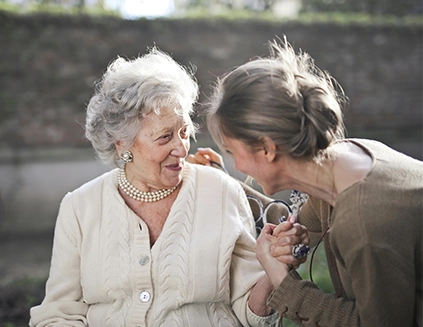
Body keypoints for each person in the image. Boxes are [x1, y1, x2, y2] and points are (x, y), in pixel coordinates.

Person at [29, 48, 286, 327]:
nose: (181, 148)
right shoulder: (80, 207)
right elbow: (59, 314)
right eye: (164, 137)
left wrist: (274, 270)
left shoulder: (222, 191)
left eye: (184, 132)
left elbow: (251, 315)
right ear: (122, 143)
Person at [190, 38, 423, 326]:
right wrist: (220, 181)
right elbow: (294, 222)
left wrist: (282, 281)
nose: (237, 165)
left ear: (266, 149)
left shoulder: (364, 224)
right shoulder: (346, 159)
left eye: (233, 152)